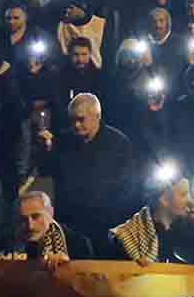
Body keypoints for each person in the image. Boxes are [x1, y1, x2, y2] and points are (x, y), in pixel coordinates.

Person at [32, 92, 136, 251]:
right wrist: (44, 151)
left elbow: (127, 188)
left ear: (97, 116)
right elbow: (47, 172)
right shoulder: (63, 141)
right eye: (72, 120)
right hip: (71, 224)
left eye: (81, 119)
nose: (76, 125)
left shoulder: (118, 144)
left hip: (106, 225)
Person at [109, 172, 194, 265]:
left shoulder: (186, 233)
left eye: (189, 194)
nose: (190, 200)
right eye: (183, 194)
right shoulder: (128, 235)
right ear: (164, 200)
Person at [0, 190, 93, 265]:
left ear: (51, 212)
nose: (30, 226)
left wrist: (67, 266)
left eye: (36, 216)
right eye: (23, 219)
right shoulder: (3, 244)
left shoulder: (78, 244)